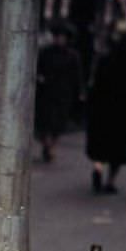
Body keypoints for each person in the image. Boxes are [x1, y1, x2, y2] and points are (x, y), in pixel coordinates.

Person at [85, 26, 126, 194]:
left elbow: (96, 86)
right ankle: (110, 181)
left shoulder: (106, 60)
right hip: (125, 113)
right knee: (119, 149)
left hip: (104, 109)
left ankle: (98, 167)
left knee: (101, 145)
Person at [35, 18, 84, 163]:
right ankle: (47, 144)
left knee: (58, 123)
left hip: (64, 93)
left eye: (62, 37)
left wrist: (80, 92)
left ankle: (51, 147)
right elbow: (38, 69)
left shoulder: (72, 56)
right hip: (47, 92)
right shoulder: (45, 53)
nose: (59, 39)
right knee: (44, 121)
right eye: (57, 36)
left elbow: (77, 76)